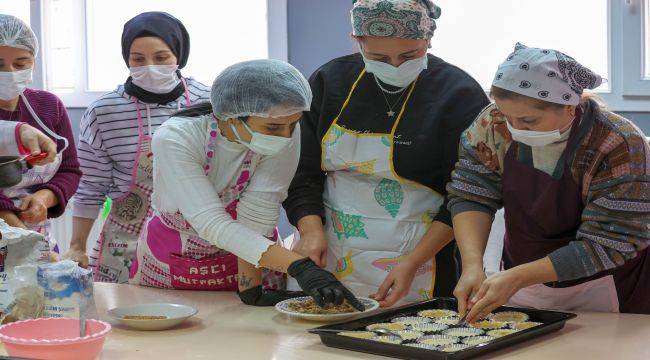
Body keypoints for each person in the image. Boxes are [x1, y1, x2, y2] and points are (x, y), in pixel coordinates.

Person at [283, 0, 489, 307]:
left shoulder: (458, 92)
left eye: (409, 55)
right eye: (378, 56)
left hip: (424, 253)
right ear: (357, 40)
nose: (395, 66)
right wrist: (310, 230)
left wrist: (413, 261)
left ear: (429, 38)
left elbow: (464, 194)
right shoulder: (330, 81)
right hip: (334, 245)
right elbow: (301, 170)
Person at [129, 59, 364, 309]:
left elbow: (259, 211)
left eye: (293, 124)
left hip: (248, 253)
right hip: (176, 255)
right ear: (230, 118)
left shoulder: (283, 131)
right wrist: (299, 266)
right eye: (273, 127)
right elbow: (211, 223)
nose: (286, 136)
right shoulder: (177, 137)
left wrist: (250, 288)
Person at [448, 43, 650, 321]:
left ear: (569, 106)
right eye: (508, 117)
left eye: (528, 120)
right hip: (523, 277)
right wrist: (473, 265)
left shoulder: (617, 143)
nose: (515, 128)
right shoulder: (492, 125)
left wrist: (519, 276)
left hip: (605, 284)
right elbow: (472, 192)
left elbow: (611, 240)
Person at [63, 12, 211, 283]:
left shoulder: (208, 102)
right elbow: (91, 185)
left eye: (161, 57)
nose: (150, 67)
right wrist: (77, 246)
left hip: (195, 236)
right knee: (124, 318)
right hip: (125, 240)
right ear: (126, 59)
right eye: (138, 59)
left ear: (179, 55)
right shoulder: (104, 112)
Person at [0, 14, 81, 256]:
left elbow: (70, 169)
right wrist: (30, 246)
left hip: (38, 235)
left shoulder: (48, 106)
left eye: (21, 63)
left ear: (34, 62)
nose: (10, 72)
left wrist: (44, 199)